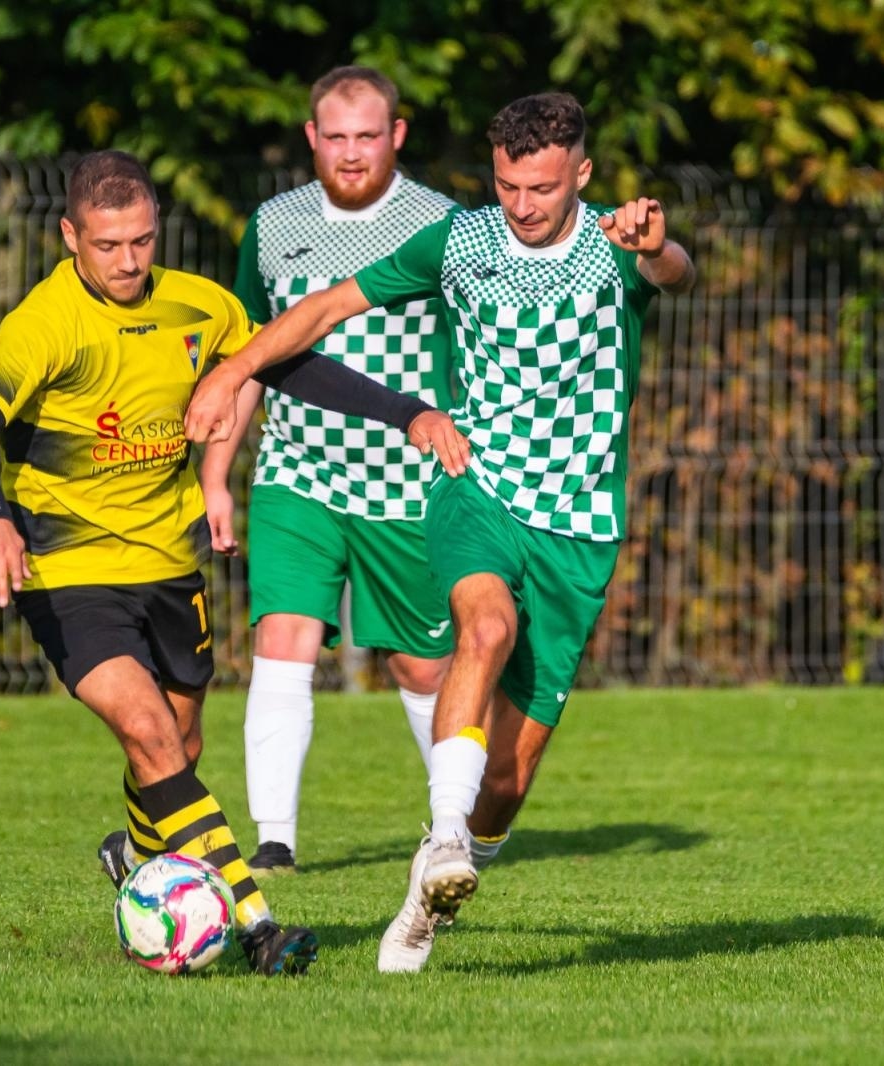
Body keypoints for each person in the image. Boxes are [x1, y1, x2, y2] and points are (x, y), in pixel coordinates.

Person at [184, 91, 696, 973]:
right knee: (484, 626)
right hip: (477, 489)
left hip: (577, 524)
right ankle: (444, 831)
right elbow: (327, 309)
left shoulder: (618, 247)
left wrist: (659, 245)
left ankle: (439, 875)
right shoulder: (459, 240)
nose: (522, 206)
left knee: (510, 777)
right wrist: (234, 370)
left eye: (540, 188)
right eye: (506, 186)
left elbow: (674, 271)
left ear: (581, 174)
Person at [0, 150, 465, 976]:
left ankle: (138, 858)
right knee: (148, 733)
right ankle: (255, 923)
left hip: (167, 562)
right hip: (67, 566)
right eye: (107, 245)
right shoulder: (44, 322)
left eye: (142, 242)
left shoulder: (197, 305)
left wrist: (405, 412)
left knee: (177, 751)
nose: (127, 262)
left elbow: (286, 364)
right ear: (70, 235)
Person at [199, 66, 458, 878]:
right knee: (283, 642)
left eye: (367, 136)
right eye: (335, 137)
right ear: (312, 138)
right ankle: (274, 839)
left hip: (408, 482)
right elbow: (249, 359)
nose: (351, 154)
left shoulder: (442, 224)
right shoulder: (272, 226)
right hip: (296, 473)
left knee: (421, 666)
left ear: (397, 137)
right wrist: (217, 476)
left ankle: (457, 818)